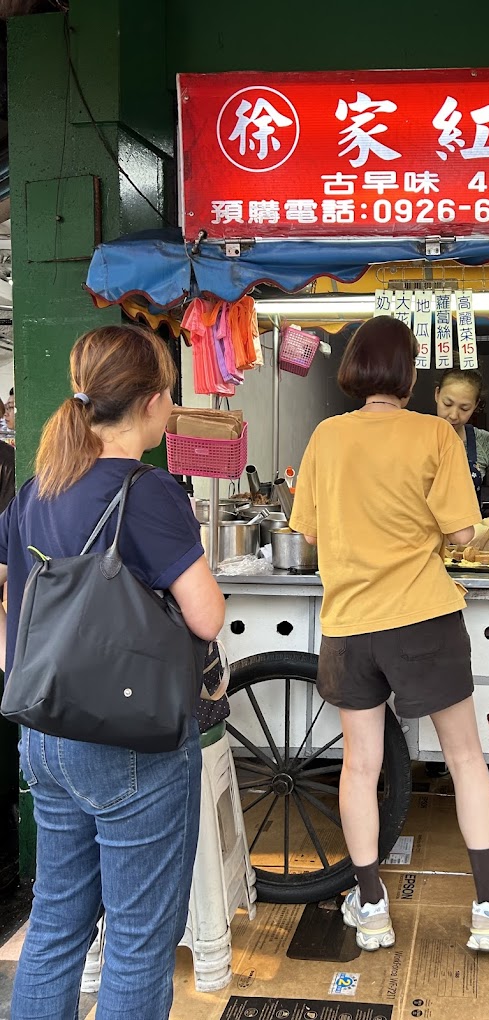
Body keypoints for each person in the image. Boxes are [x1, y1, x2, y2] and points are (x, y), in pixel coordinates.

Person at [290, 316, 489, 952]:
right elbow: (462, 533)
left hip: (349, 623)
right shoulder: (435, 434)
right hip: (424, 617)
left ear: (354, 369)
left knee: (359, 764)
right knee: (464, 758)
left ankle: (370, 904)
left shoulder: (326, 436)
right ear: (408, 374)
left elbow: (308, 531)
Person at [0, 324, 225, 1019]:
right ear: (155, 402)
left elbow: (10, 595)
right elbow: (206, 617)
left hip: (44, 730)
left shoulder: (39, 487)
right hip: (132, 740)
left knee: (58, 925)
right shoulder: (147, 490)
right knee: (137, 938)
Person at [434, 368, 489, 519]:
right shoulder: (417, 435)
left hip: (469, 539)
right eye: (447, 404)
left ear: (476, 405)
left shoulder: (483, 441)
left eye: (465, 408)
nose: (454, 415)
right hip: (422, 538)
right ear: (437, 394)